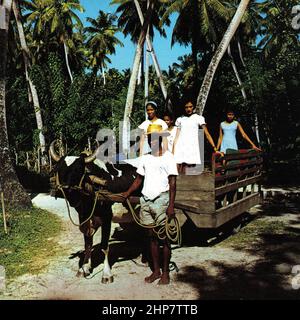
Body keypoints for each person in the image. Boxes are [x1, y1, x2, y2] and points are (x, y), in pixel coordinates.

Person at [122, 124, 178, 285]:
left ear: (160, 139)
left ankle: (166, 273)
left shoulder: (168, 157)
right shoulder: (146, 158)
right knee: (151, 238)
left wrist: (171, 206)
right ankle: (156, 271)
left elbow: (173, 183)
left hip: (161, 200)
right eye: (150, 138)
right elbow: (139, 180)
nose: (153, 141)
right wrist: (127, 193)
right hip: (145, 201)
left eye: (155, 138)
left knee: (165, 238)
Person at [173, 100, 218, 174]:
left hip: (192, 147)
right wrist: (173, 150)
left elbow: (207, 134)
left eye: (190, 107)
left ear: (193, 107)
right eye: (186, 107)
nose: (188, 109)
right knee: (179, 171)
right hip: (181, 147)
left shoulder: (198, 118)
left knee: (190, 171)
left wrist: (214, 147)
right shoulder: (180, 119)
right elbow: (176, 136)